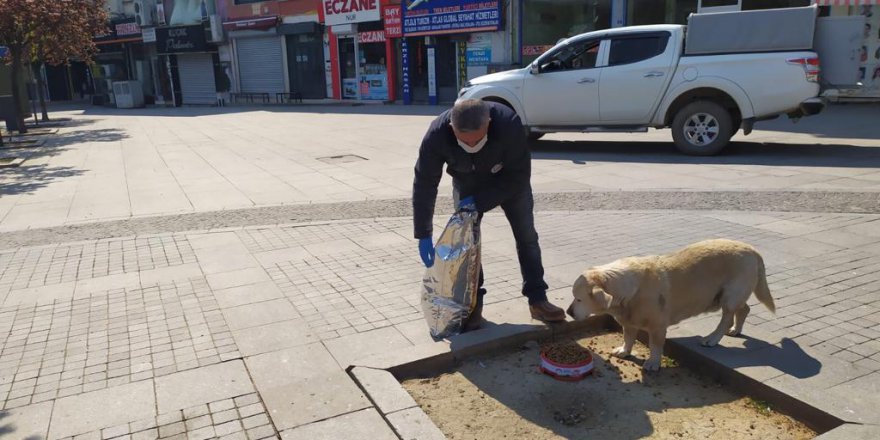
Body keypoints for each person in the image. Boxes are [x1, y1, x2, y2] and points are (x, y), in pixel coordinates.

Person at [412, 99, 566, 331]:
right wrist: (423, 232)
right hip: (466, 184)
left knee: (527, 237)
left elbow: (520, 175)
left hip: (510, 183)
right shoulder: (437, 134)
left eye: (477, 139)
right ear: (452, 128)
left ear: (489, 124)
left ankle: (538, 299)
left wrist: (481, 201)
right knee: (468, 246)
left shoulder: (508, 124)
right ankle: (474, 306)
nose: (472, 145)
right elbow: (425, 182)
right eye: (464, 141)